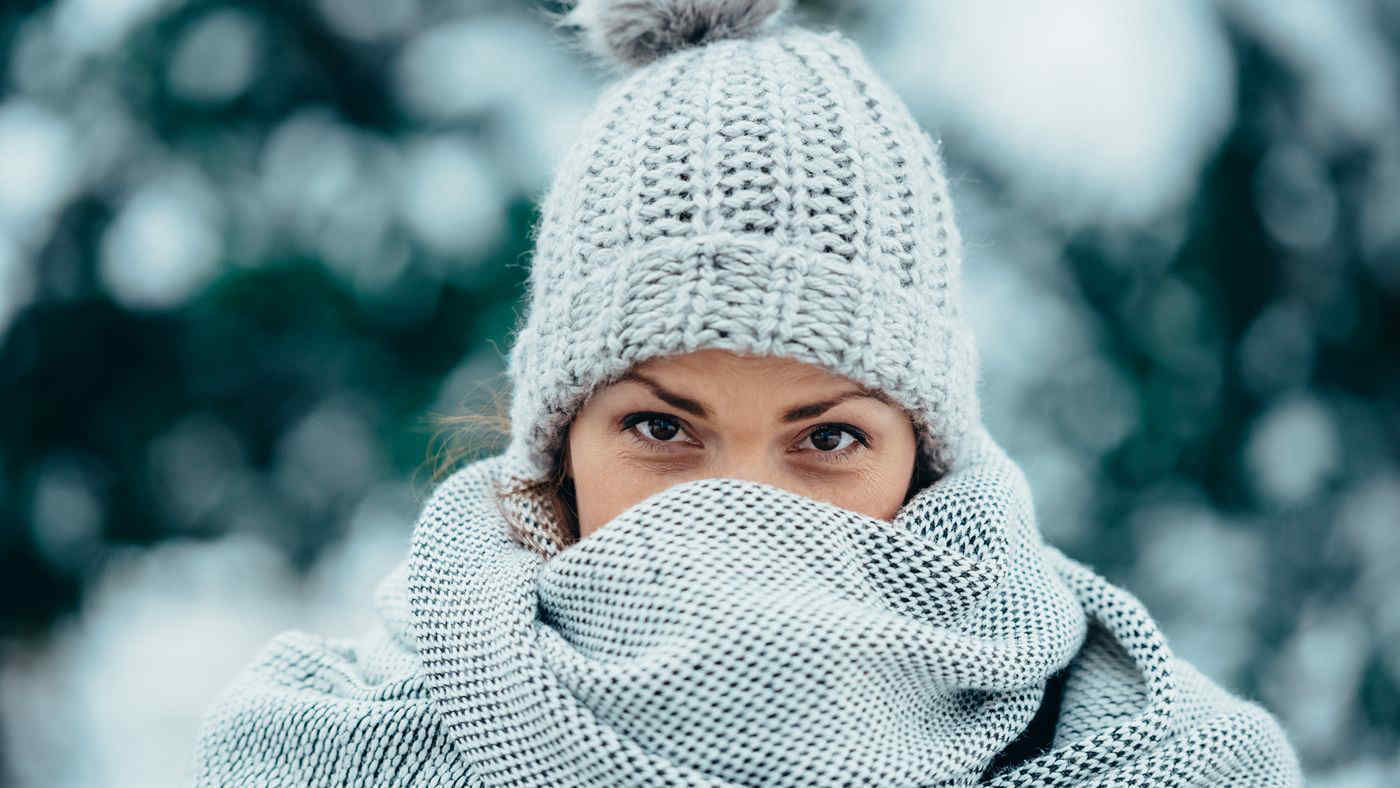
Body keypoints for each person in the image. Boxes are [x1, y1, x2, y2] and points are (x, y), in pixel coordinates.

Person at [193, 1, 1303, 785]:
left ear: (923, 457)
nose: (736, 503)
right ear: (556, 441)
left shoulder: (1157, 758)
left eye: (824, 436)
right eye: (661, 426)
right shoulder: (328, 754)